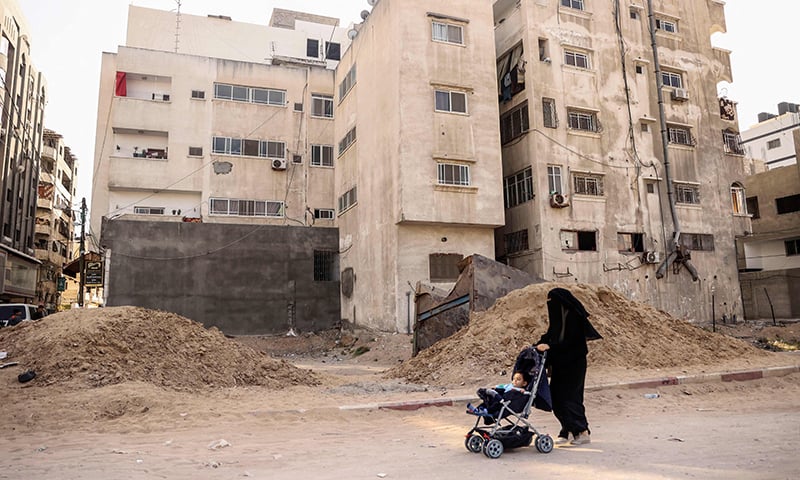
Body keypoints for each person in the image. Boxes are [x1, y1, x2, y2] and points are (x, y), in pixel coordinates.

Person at [536, 287, 602, 446]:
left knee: (571, 397)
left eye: (553, 302)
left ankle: (582, 431)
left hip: (574, 364)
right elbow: (550, 336)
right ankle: (567, 429)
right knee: (556, 397)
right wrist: (536, 346)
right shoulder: (559, 319)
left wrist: (550, 348)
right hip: (560, 363)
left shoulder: (574, 318)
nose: (550, 305)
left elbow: (571, 344)